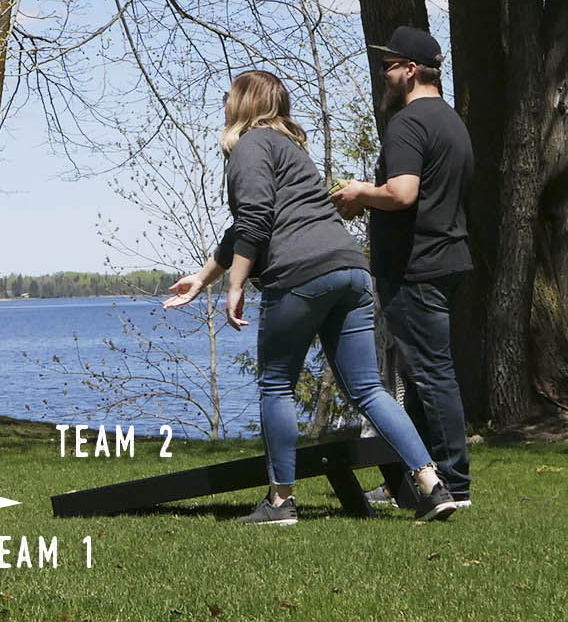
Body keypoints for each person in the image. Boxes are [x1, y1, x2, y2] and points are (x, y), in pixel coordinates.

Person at [164, 70, 456, 525]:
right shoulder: (291, 150)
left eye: (228, 96)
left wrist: (235, 284)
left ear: (243, 103)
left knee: (276, 384)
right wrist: (204, 277)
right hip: (351, 270)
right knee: (368, 390)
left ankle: (280, 502)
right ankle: (432, 484)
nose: (223, 102)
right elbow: (244, 226)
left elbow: (255, 220)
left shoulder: (248, 147)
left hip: (300, 275)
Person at [332, 26, 475, 510]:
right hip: (451, 260)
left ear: (411, 70)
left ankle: (454, 482)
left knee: (432, 376)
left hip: (419, 269)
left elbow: (403, 193)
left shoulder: (408, 124)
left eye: (389, 65)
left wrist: (357, 193)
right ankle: (408, 483)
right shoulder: (453, 123)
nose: (383, 73)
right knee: (418, 378)